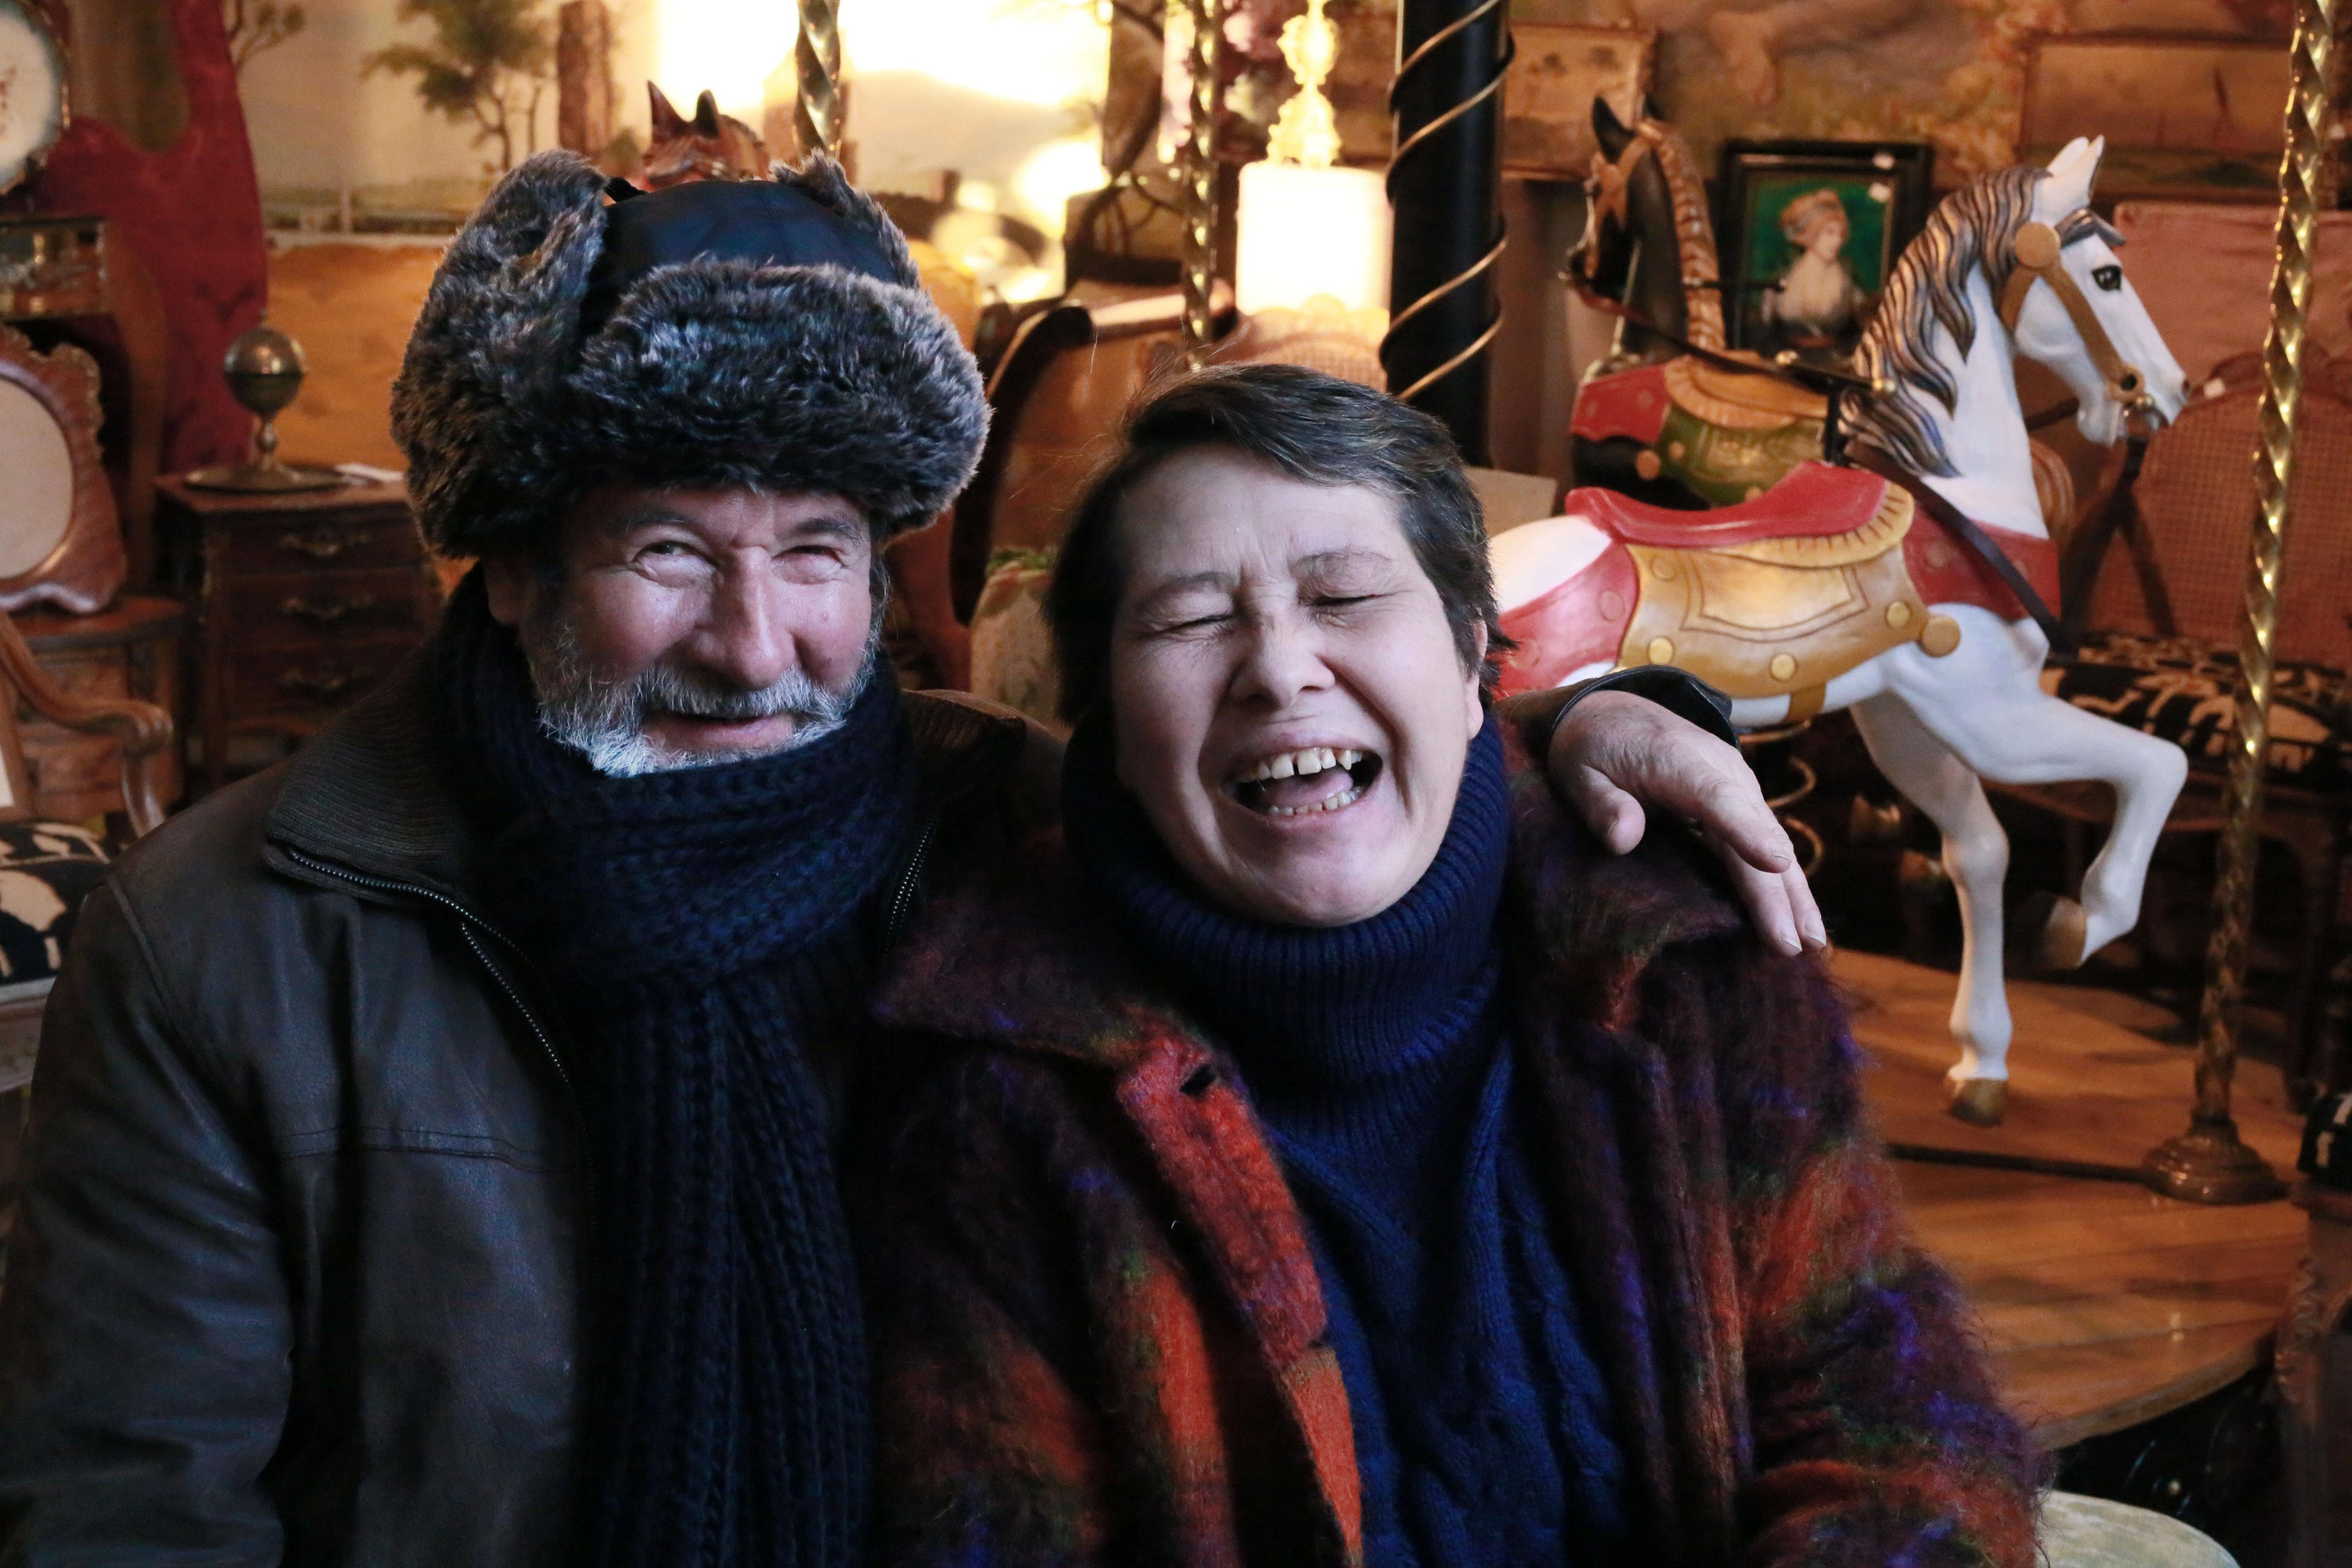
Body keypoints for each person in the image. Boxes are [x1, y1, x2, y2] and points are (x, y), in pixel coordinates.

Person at [0, 159, 1817, 1565]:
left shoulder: (1003, 819)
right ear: (519, 562)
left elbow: (1322, 812)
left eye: (813, 551)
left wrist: (1583, 724)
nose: (750, 639)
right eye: (663, 549)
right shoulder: (229, 938)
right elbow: (127, 1508)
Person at [854, 365, 2041, 1567]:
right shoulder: (999, 1093)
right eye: (1191, 617)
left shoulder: (1681, 963)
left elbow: (1901, 1431)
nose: (1278, 668)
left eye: (1346, 595)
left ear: (1478, 654)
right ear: (1108, 711)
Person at [1758, 186, 1866, 359]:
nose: (1837, 241)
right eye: (1829, 233)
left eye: (1840, 234)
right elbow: (1766, 331)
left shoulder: (1847, 282)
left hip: (1835, 364)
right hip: (1786, 363)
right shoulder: (1781, 280)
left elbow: (1859, 331)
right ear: (1811, 234)